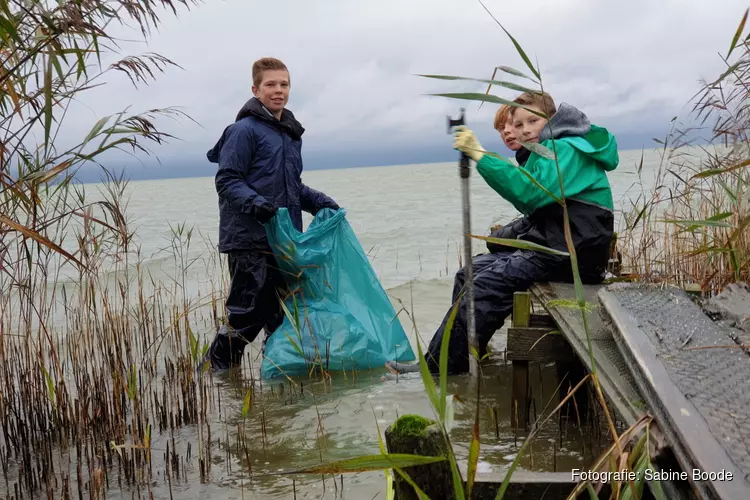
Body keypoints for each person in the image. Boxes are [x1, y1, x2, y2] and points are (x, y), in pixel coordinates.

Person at [387, 92, 618, 374]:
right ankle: (468, 353)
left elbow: (530, 193)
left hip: (573, 256)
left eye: (532, 120)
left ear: (552, 118)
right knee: (467, 274)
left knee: (484, 287)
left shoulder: (566, 150)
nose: (524, 130)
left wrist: (480, 155)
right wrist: (499, 241)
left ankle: (440, 370)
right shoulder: (546, 152)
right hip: (556, 249)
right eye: (518, 125)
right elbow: (539, 218)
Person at [201, 57, 340, 371]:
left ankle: (277, 388)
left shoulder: (290, 135)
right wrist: (258, 205)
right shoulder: (242, 131)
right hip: (250, 241)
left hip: (283, 242)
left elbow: (292, 187)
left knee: (283, 318)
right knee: (246, 317)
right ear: (255, 89)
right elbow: (227, 180)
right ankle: (213, 378)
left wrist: (322, 203)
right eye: (271, 85)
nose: (278, 91)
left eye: (284, 84)